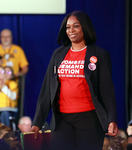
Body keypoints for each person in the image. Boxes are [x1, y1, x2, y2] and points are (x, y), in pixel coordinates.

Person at [31, 11, 118, 150]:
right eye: (68, 27)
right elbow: (47, 90)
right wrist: (37, 122)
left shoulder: (100, 54)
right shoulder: (58, 54)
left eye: (75, 26)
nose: (71, 30)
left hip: (90, 120)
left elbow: (107, 91)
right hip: (61, 121)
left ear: (85, 27)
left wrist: (112, 119)